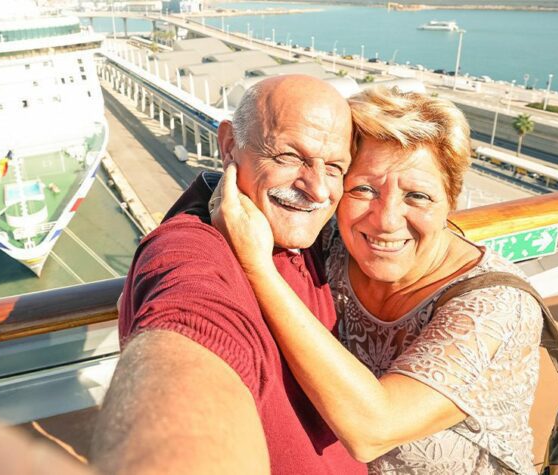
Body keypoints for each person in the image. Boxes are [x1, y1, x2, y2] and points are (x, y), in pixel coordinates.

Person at [212, 87, 542, 474]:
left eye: (417, 196)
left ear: (450, 202)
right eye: (364, 189)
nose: (386, 220)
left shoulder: (497, 308)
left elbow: (374, 428)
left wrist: (257, 267)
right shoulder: (333, 245)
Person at [90, 75, 365, 474]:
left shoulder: (313, 236)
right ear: (228, 145)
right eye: (290, 157)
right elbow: (190, 325)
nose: (319, 189)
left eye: (336, 167)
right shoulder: (190, 252)